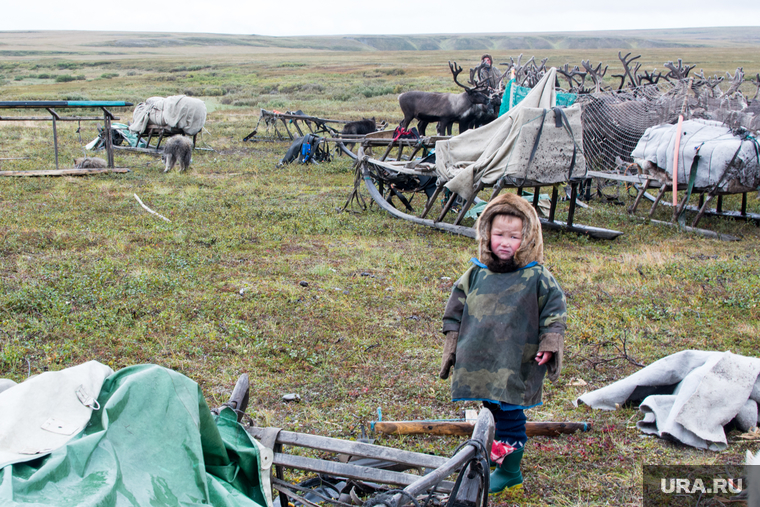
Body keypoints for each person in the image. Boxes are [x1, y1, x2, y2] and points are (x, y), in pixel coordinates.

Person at [439, 192, 567, 494]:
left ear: (529, 238)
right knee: (491, 406)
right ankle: (491, 455)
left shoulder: (536, 277)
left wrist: (549, 343)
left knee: (510, 411)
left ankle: (509, 470)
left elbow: (554, 310)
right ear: (486, 234)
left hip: (515, 358)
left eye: (515, 236)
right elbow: (455, 310)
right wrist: (453, 343)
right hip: (482, 357)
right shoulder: (475, 274)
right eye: (499, 235)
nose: (506, 242)